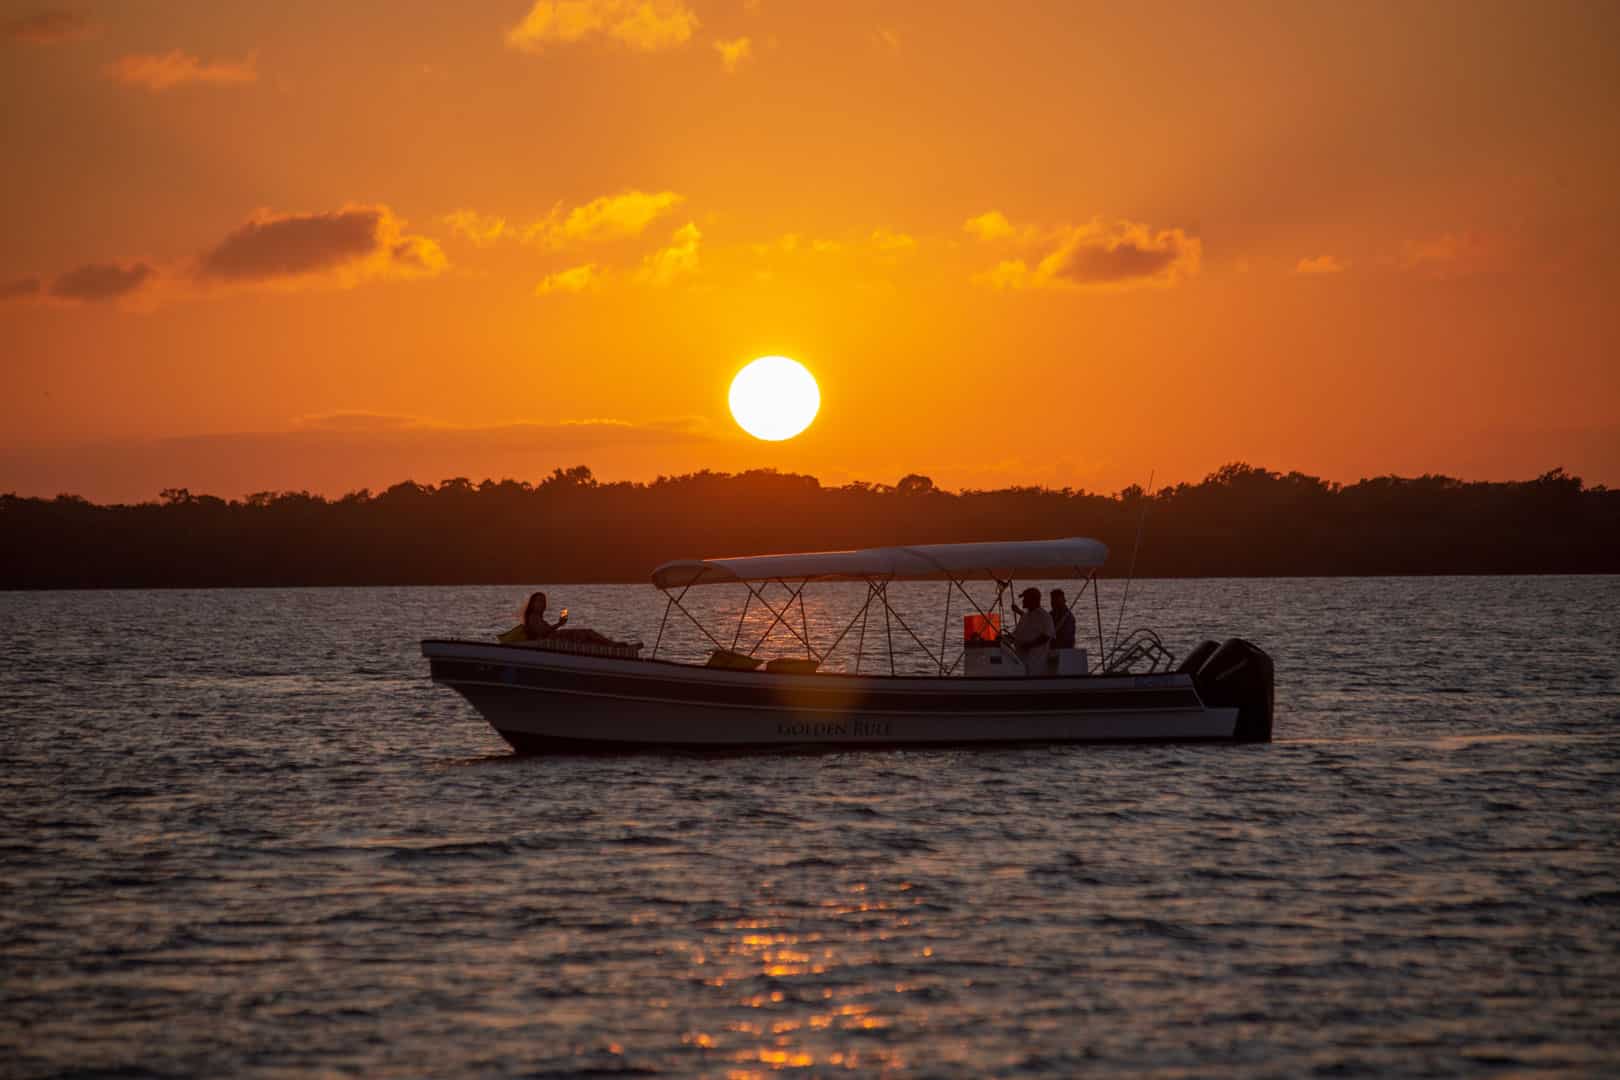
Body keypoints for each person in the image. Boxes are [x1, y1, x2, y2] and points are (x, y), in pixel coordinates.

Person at [514, 591, 627, 648]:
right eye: (538, 601)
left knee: (587, 636)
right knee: (588, 633)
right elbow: (543, 633)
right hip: (555, 639)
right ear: (532, 604)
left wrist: (558, 625)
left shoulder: (536, 617)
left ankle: (611, 644)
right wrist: (558, 624)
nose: (541, 604)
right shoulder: (532, 617)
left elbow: (545, 631)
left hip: (556, 637)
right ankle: (611, 644)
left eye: (543, 601)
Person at [1009, 586, 1054, 674]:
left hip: (1035, 664)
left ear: (1033, 600)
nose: (1023, 601)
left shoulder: (1044, 616)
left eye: (1025, 598)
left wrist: (1029, 645)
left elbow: (1046, 636)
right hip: (1020, 663)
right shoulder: (1025, 616)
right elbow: (1016, 634)